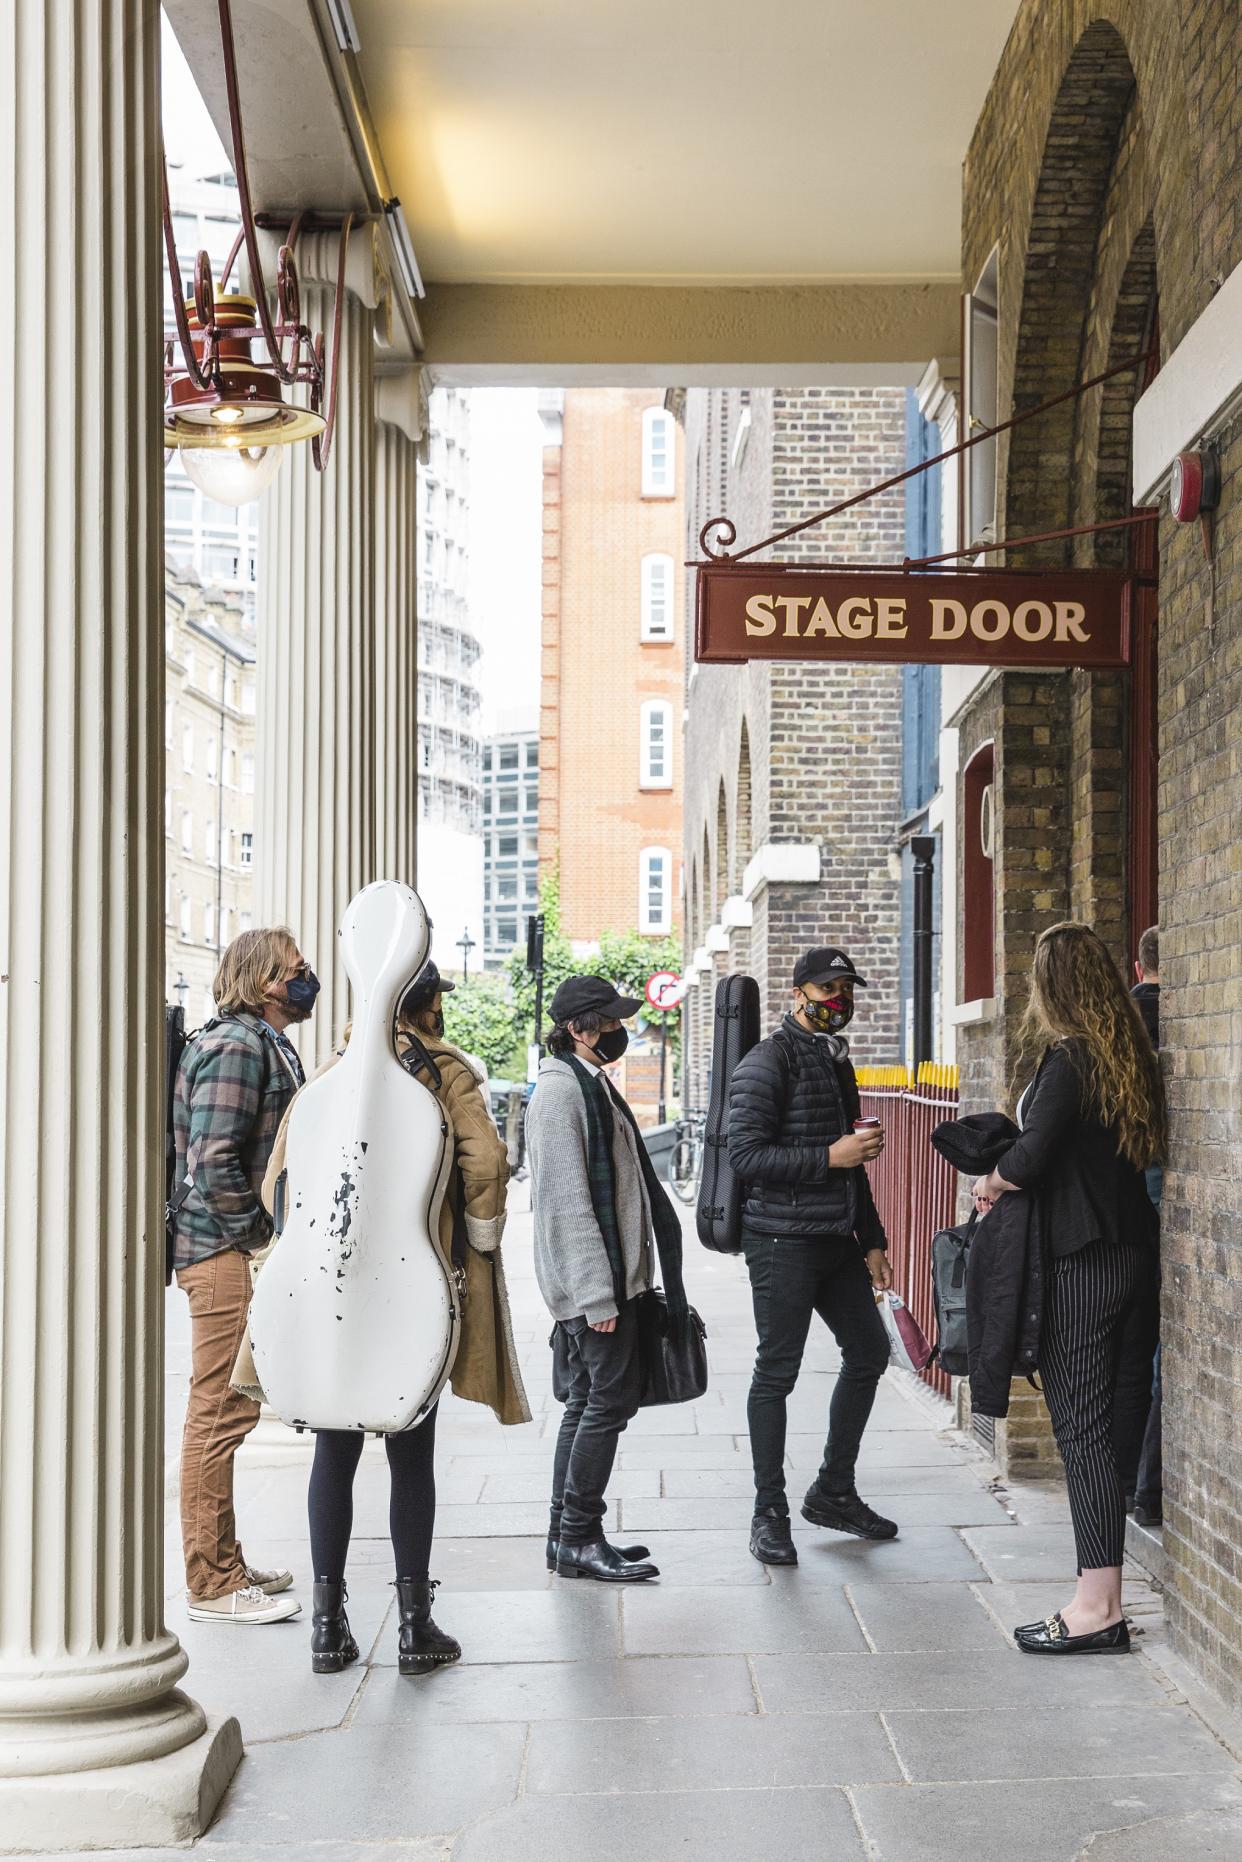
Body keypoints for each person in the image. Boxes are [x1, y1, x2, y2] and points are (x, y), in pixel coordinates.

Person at [264, 958, 532, 1675]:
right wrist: (478, 1240)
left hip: (332, 1288)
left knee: (334, 1449)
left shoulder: (332, 1071)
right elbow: (486, 1165)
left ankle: (327, 1627)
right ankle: (416, 1628)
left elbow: (277, 1183)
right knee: (411, 1453)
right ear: (428, 1007)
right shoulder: (445, 1072)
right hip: (413, 1283)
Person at [972, 922, 1164, 1655]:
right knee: (1110, 1427)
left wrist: (990, 1177)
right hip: (1131, 1253)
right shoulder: (1129, 1056)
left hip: (1079, 1261)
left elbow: (1031, 1158)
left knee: (1081, 1430)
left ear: (1051, 988)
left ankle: (1095, 1606)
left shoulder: (1068, 1060)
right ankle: (1104, 1596)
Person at [727, 946, 896, 1567]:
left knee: (870, 1353)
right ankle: (767, 1512)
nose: (839, 1001)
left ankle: (833, 1490)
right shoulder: (765, 1063)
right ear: (798, 993)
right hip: (780, 1241)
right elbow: (744, 1157)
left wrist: (872, 1238)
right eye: (828, 989)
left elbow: (854, 1166)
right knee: (777, 1371)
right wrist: (830, 1156)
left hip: (835, 1239)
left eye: (846, 990)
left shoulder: (833, 1059)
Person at [172, 926, 315, 1624]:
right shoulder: (234, 1044)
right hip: (225, 1254)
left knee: (231, 1410)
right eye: (297, 969)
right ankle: (213, 1584)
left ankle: (225, 1560)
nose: (306, 977)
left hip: (233, 1250)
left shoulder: (261, 1042)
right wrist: (262, 1241)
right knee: (219, 1413)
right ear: (263, 980)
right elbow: (213, 1160)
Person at [526, 974, 686, 1583]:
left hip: (611, 1279)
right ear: (579, 1030)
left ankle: (564, 1533)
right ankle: (579, 1537)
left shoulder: (589, 1085)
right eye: (611, 1023)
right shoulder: (562, 1094)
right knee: (608, 1403)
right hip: (594, 1285)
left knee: (589, 1401)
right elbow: (567, 1202)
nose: (620, 1032)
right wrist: (597, 1294)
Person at [1129, 924, 1163, 1527]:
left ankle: (1141, 1485)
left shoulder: (1121, 1024)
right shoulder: (1176, 1022)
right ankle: (1148, 1487)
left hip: (1125, 1189)